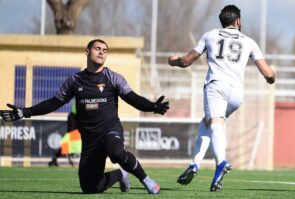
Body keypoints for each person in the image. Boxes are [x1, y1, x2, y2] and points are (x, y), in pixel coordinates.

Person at [0, 39, 169, 194]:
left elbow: (132, 97)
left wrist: (153, 106)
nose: (102, 52)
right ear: (87, 52)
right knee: (90, 188)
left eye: (105, 50)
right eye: (97, 48)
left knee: (115, 151)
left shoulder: (113, 78)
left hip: (110, 129)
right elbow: (53, 103)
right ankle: (120, 174)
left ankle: (146, 180)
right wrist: (25, 112)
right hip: (90, 139)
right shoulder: (74, 81)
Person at [168, 5, 275, 192]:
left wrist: (173, 61)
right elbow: (268, 73)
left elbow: (187, 61)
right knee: (207, 123)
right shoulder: (249, 42)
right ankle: (195, 164)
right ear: (238, 21)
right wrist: (271, 77)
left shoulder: (210, 35)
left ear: (222, 21)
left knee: (215, 124)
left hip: (216, 87)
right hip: (236, 94)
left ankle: (220, 163)